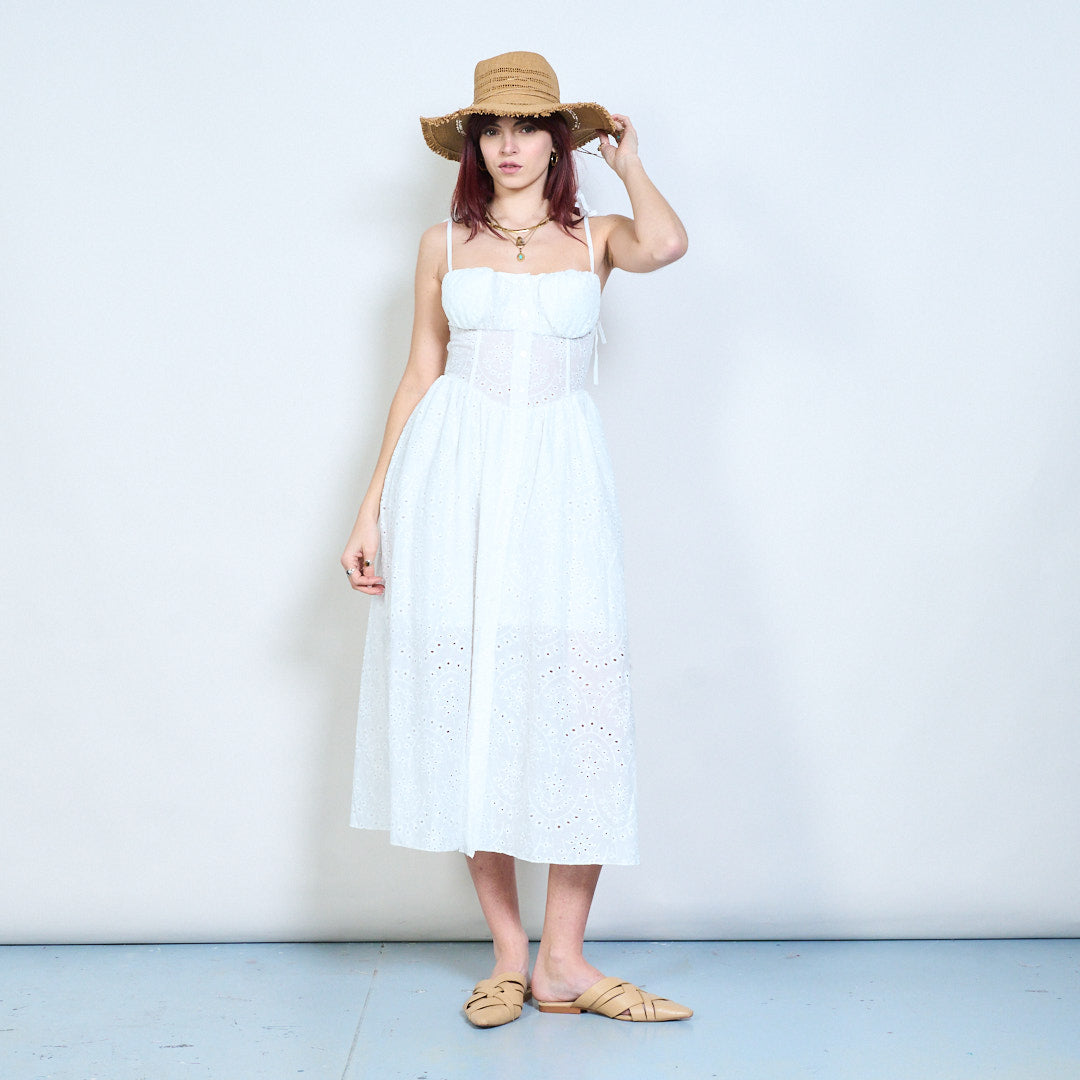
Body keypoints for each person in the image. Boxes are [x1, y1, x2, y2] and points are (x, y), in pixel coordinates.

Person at [341, 51, 690, 1027]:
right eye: (491, 128)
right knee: (475, 702)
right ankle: (507, 955)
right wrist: (371, 509)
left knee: (579, 698)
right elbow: (419, 375)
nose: (507, 145)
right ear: (473, 143)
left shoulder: (597, 238)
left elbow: (667, 244)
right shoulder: (443, 245)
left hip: (562, 482)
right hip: (452, 483)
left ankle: (564, 961)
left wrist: (630, 162)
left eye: (528, 126)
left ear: (557, 140)